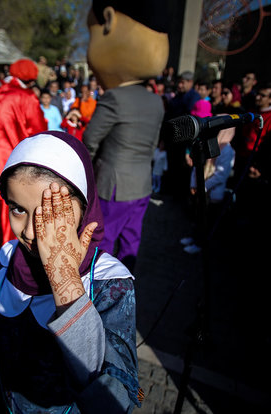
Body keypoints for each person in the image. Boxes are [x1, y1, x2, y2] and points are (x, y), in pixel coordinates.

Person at [0, 131, 143, 413]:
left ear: (85, 208)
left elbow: (117, 400)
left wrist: (65, 281)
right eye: (18, 209)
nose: (33, 232)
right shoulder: (4, 261)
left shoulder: (110, 283)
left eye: (51, 213)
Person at [83, 0, 169, 272]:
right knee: (131, 242)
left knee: (103, 242)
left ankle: (99, 293)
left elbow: (90, 140)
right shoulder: (156, 102)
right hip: (142, 184)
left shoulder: (115, 98)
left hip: (114, 185)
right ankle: (123, 287)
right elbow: (154, 141)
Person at [0, 58, 47, 251]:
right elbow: (39, 134)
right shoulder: (26, 97)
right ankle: (11, 260)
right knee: (14, 215)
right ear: (30, 79)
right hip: (13, 165)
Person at [180, 126, 236, 254]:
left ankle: (200, 243)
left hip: (212, 193)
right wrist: (194, 184)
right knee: (197, 215)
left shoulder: (227, 150)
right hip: (200, 189)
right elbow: (198, 164)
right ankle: (194, 237)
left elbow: (221, 175)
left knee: (207, 220)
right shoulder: (208, 143)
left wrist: (203, 186)